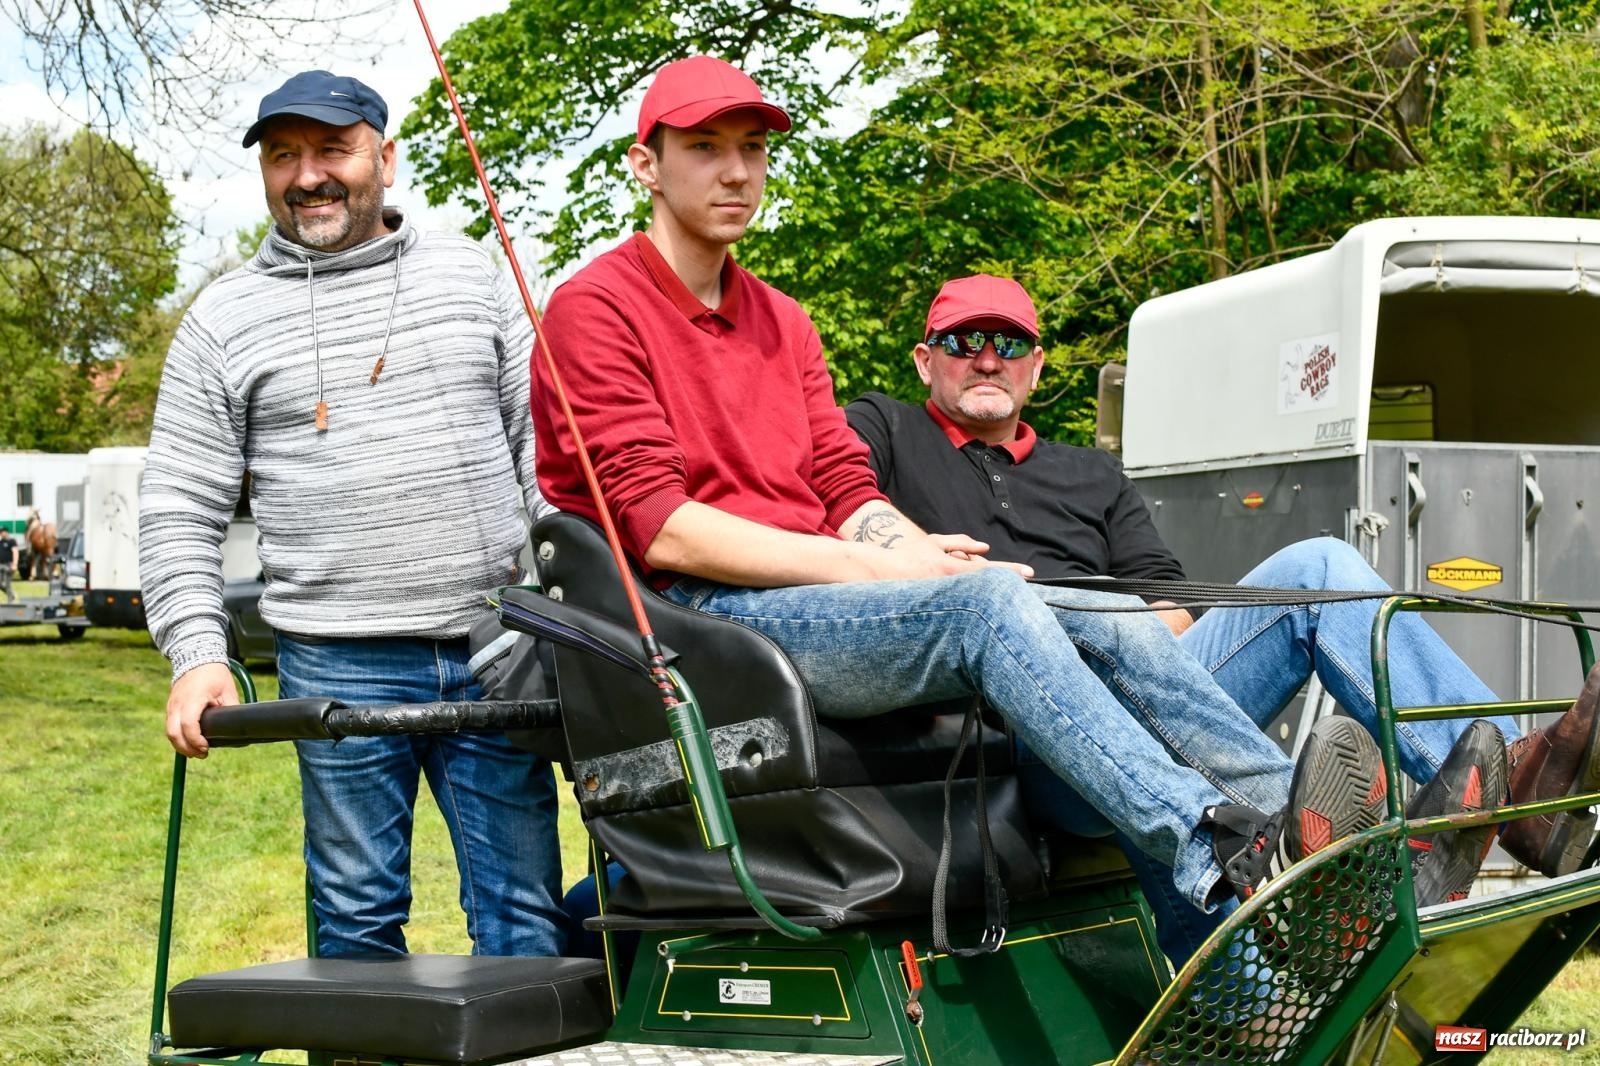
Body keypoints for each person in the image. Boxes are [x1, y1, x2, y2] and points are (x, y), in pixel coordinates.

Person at [531, 55, 1444, 931]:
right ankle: (1209, 843)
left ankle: (1304, 838)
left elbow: (844, 484)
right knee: (988, 606)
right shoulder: (595, 308)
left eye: (753, 148)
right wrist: (875, 569)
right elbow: (665, 530)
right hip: (708, 622)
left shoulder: (784, 320)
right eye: (704, 148)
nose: (736, 172)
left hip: (812, 602)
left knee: (1089, 605)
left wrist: (914, 552)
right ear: (645, 165)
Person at [844, 273, 1600, 887]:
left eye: (1008, 344)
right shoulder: (884, 428)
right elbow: (843, 511)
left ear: (1036, 366)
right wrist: (962, 584)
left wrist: (1106, 646)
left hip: (1146, 691)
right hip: (1027, 742)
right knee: (1030, 636)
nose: (987, 360)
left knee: (1320, 566)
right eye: (965, 342)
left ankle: (1518, 787)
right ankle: (1350, 852)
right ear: (925, 360)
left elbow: (1173, 606)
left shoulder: (1092, 474)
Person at [140, 70, 565, 959]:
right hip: (336, 662)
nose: (308, 175)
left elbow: (546, 454)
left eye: (333, 149)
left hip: (499, 647)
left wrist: (575, 600)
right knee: (356, 921)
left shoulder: (471, 274)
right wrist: (198, 653)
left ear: (386, 157)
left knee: (526, 919)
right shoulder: (222, 319)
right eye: (283, 156)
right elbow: (179, 501)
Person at [0, 527, 16, 603]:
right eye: (1, 532)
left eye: (3, 532)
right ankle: (11, 595)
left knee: (7, 584)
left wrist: (14, 564)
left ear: (6, 532)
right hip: (1, 565)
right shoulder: (0, 542)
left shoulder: (11, 541)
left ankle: (10, 602)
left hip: (8, 565)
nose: (1, 533)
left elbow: (15, 552)